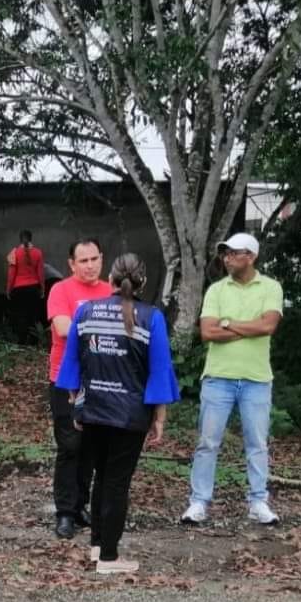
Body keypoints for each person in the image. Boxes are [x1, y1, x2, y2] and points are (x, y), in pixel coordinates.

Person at [56, 253, 180, 574]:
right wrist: (160, 417)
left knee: (100, 478)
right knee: (116, 483)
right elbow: (160, 371)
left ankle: (98, 547)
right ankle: (109, 558)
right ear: (143, 283)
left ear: (110, 279)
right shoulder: (151, 317)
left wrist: (74, 400)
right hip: (130, 415)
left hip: (93, 410)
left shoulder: (85, 311)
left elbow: (72, 361)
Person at [181, 232, 284, 526]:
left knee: (257, 443)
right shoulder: (216, 290)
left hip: (256, 378)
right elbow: (207, 332)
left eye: (233, 253)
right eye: (225, 254)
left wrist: (227, 323)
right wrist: (248, 328)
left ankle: (258, 501)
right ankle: (198, 502)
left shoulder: (271, 287)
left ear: (250, 256)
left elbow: (268, 326)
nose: (227, 259)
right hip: (218, 377)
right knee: (207, 443)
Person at [47, 238, 113, 539]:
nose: (90, 265)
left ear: (102, 259)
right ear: (72, 264)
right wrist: (104, 326)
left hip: (102, 380)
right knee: (70, 445)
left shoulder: (110, 291)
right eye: (83, 261)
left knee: (91, 446)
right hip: (66, 379)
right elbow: (62, 328)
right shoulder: (61, 290)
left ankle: (79, 506)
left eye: (94, 259)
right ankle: (64, 512)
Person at [6, 230, 46, 345]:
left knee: (20, 316)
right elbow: (41, 273)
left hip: (18, 290)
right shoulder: (38, 253)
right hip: (34, 288)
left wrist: (8, 289)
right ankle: (34, 342)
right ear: (31, 238)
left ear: (20, 239)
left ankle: (22, 342)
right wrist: (42, 288)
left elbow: (11, 274)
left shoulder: (14, 253)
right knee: (33, 315)